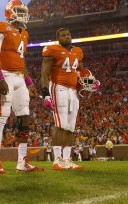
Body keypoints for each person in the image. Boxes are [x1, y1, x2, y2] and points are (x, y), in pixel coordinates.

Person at [0, 0, 42, 174]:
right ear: (10, 12)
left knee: (24, 119)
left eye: (23, 11)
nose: (23, 14)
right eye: (19, 10)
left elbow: (21, 60)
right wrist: (0, 78)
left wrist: (30, 82)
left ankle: (22, 161)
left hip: (20, 78)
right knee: (1, 117)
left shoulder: (24, 33)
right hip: (6, 75)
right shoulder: (1, 27)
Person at [40, 28, 96, 170]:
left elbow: (80, 71)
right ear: (58, 38)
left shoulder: (77, 51)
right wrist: (45, 93)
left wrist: (87, 81)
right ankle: (57, 159)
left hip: (73, 90)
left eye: (68, 34)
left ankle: (67, 159)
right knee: (61, 124)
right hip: (59, 87)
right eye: (63, 35)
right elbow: (45, 73)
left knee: (70, 126)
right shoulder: (52, 50)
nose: (67, 37)